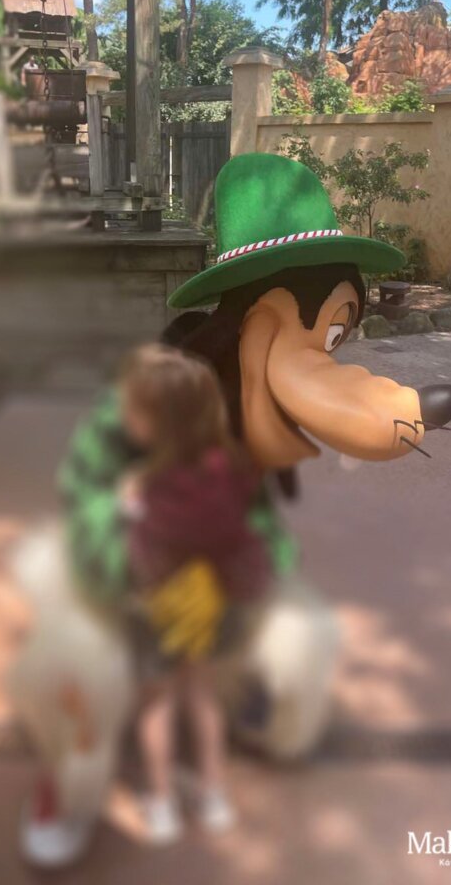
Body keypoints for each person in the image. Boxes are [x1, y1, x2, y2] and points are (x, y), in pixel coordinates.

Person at [116, 343, 272, 843]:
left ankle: (162, 805)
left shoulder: (148, 485)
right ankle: (213, 796)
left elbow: (140, 552)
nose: (127, 416)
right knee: (204, 698)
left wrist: (129, 507)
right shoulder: (230, 468)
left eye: (135, 409)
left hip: (162, 606)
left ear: (159, 421)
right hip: (216, 601)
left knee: (157, 704)